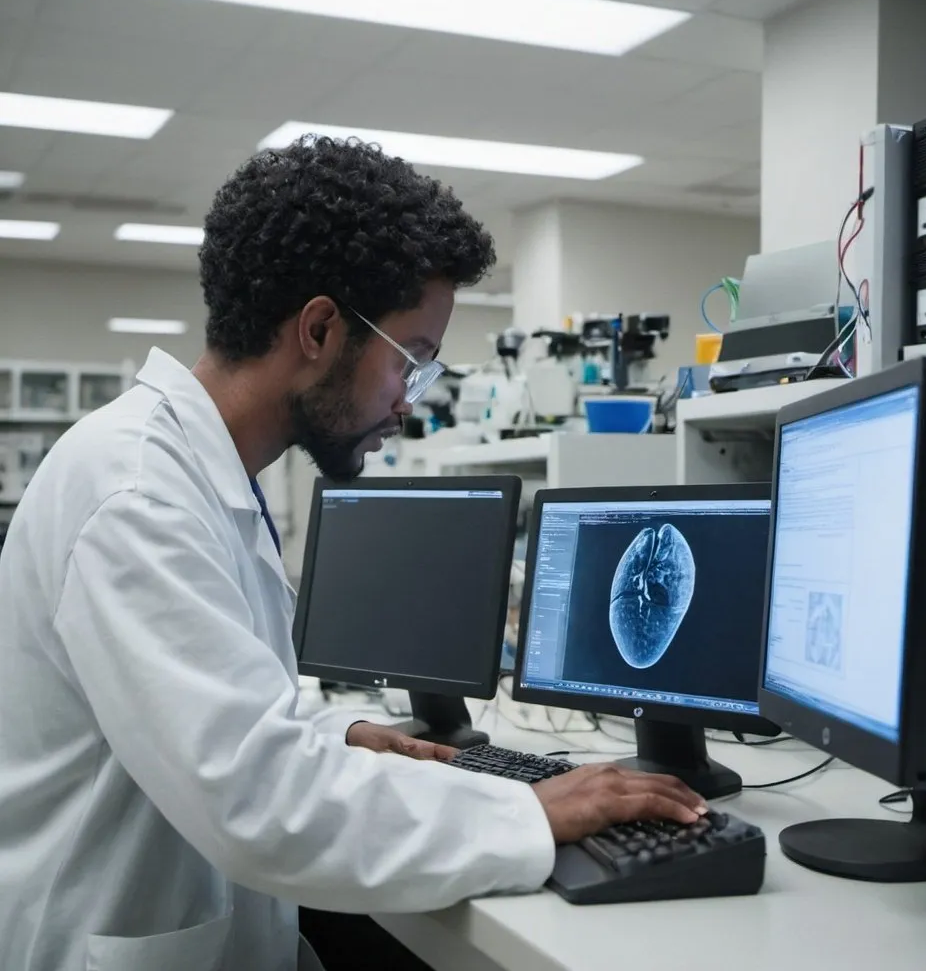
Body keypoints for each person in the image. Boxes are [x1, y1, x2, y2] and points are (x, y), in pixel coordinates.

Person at [0, 136, 706, 971]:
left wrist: (343, 736)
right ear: (321, 328)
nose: (409, 403)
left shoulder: (197, 472)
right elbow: (256, 801)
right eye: (412, 359)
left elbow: (222, 707)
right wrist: (530, 814)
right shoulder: (136, 493)